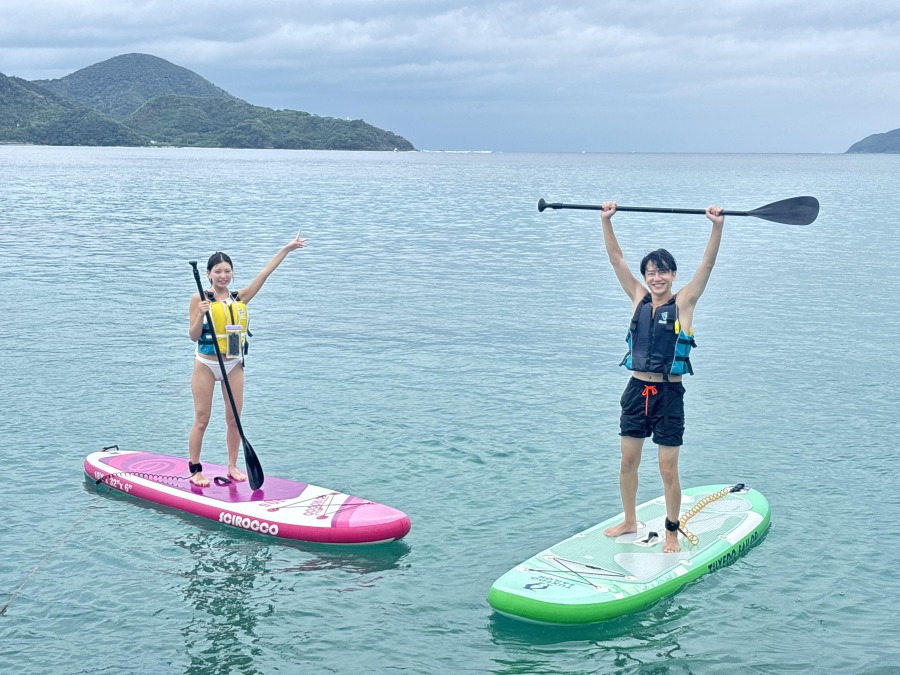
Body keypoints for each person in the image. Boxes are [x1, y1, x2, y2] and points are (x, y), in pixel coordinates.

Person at [600, 202, 724, 553]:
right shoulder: (638, 298)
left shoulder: (684, 302)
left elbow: (708, 265)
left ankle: (672, 529)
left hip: (669, 394)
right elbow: (616, 259)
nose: (656, 277)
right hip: (636, 389)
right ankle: (629, 520)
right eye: (651, 272)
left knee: (668, 468)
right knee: (628, 461)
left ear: (672, 275)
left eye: (663, 272)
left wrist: (716, 227)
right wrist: (606, 221)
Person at [187, 233, 306, 487]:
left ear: (232, 273)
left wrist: (286, 249)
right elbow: (193, 335)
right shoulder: (200, 298)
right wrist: (200, 314)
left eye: (227, 271)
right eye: (217, 271)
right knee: (202, 418)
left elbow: (264, 273)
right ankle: (195, 469)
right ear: (208, 274)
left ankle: (232, 465)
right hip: (206, 364)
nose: (223, 275)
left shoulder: (239, 298)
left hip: (233, 365)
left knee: (234, 420)